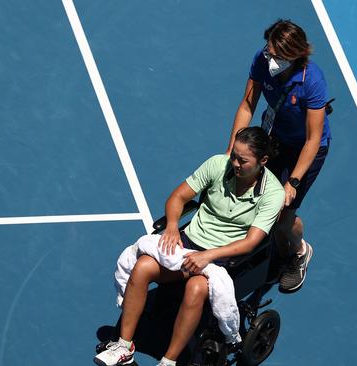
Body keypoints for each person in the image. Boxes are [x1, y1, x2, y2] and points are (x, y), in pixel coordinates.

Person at [94, 127, 285, 366]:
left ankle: (169, 361)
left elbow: (251, 242)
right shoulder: (218, 164)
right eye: (234, 155)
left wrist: (209, 255)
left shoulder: (273, 194)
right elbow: (178, 197)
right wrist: (173, 226)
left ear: (263, 161)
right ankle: (123, 347)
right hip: (187, 243)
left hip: (224, 258)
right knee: (142, 266)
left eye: (242, 160)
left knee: (195, 288)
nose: (234, 163)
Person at [225, 19, 331, 293]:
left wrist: (292, 182)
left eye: (277, 56)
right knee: (247, 192)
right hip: (274, 138)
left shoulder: (312, 81)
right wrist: (232, 148)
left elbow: (313, 138)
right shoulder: (261, 62)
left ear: (295, 54)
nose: (270, 59)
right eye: (268, 52)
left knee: (283, 215)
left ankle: (299, 252)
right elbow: (248, 105)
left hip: (306, 149)